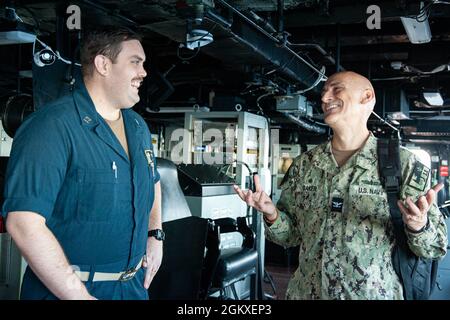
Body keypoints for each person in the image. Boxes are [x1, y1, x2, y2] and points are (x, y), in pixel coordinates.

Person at [234, 71, 448, 299]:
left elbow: (434, 248)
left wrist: (419, 225)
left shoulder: (401, 164)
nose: (325, 98)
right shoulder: (305, 164)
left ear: (366, 97)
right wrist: (272, 214)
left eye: (336, 89)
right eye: (324, 92)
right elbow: (290, 237)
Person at [2, 27, 163, 300]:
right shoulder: (51, 127)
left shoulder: (137, 126)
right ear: (103, 64)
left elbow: (152, 181)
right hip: (69, 291)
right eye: (135, 62)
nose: (144, 72)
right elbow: (23, 223)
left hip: (133, 288)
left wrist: (155, 233)